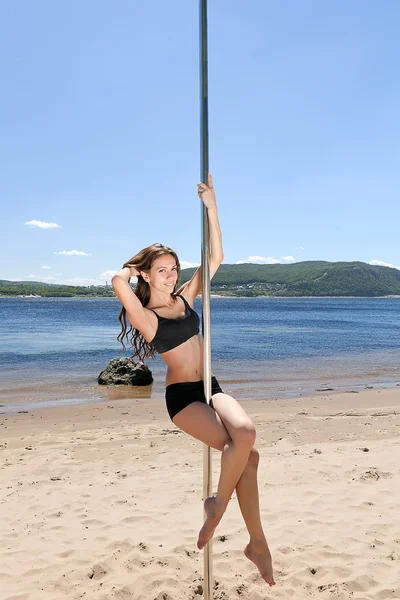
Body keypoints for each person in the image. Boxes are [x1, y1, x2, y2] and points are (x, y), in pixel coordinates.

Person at [112, 175, 275, 587]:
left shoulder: (185, 297)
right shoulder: (147, 319)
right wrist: (128, 270)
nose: (170, 276)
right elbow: (117, 284)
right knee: (245, 449)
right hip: (183, 399)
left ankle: (239, 529)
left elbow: (216, 256)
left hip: (211, 386)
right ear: (147, 276)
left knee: (247, 438)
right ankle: (239, 527)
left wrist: (212, 206)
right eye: (161, 271)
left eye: (173, 269)